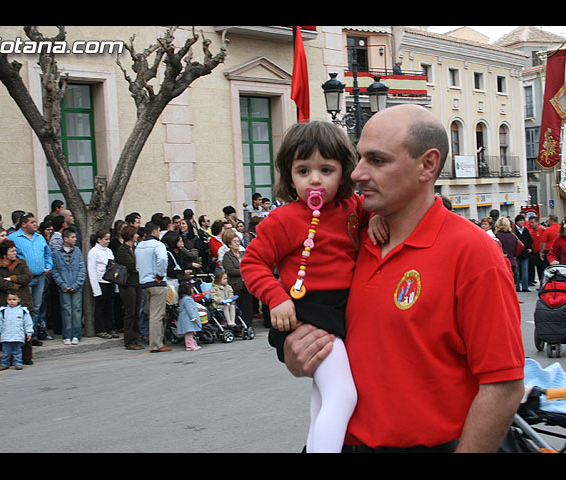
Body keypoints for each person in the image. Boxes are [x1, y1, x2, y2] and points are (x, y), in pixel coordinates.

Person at [281, 105, 525, 453]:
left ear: (427, 165)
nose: (357, 173)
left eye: (377, 161)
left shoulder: (473, 252)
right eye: (359, 157)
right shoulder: (352, 241)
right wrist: (297, 354)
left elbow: (504, 384)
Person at [241, 120, 386, 453]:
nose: (315, 180)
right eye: (303, 170)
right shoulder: (282, 219)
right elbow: (252, 263)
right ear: (289, 176)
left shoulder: (354, 208)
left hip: (339, 310)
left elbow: (375, 214)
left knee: (323, 396)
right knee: (343, 394)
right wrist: (276, 298)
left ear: (345, 172)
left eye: (326, 169)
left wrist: (376, 218)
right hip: (306, 311)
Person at [8, 213, 53, 344]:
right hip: (24, 279)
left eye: (35, 221)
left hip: (40, 277)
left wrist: (48, 266)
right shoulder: (13, 237)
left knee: (36, 307)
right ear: (23, 224)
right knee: (24, 307)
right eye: (32, 222)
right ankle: (21, 335)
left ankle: (32, 335)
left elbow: (47, 255)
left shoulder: (39, 237)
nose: (35, 224)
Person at [0, 239, 34, 365]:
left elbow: (28, 277)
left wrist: (11, 278)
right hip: (4, 302)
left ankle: (26, 356)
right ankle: (9, 358)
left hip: (23, 300)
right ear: (5, 253)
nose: (15, 253)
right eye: (12, 251)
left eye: (15, 250)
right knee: (7, 329)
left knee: (23, 327)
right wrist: (15, 285)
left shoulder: (21, 263)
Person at [135, 221, 170, 353]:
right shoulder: (157, 244)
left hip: (144, 281)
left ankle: (156, 341)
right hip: (156, 282)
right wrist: (160, 275)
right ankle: (156, 344)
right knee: (157, 315)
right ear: (155, 231)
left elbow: (137, 264)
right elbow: (162, 259)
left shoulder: (139, 246)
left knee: (152, 313)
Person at [51, 228, 86, 346]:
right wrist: (63, 285)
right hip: (64, 286)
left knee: (76, 310)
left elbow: (82, 268)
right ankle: (67, 335)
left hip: (76, 286)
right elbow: (54, 270)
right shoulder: (56, 252)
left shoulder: (77, 251)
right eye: (72, 237)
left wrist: (77, 284)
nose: (75, 239)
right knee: (66, 311)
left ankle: (76, 334)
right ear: (65, 239)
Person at [115, 225, 144, 350]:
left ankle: (136, 337)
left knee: (136, 312)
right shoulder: (122, 250)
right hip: (127, 284)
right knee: (130, 312)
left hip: (136, 283)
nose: (137, 236)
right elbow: (132, 265)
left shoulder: (134, 249)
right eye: (136, 234)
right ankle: (129, 340)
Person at [87, 230, 116, 340]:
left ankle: (110, 327)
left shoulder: (109, 251)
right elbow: (92, 270)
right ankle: (100, 329)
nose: (108, 241)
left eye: (109, 239)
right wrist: (96, 288)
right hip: (100, 281)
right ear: (99, 240)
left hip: (110, 281)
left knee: (109, 306)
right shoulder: (93, 252)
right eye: (106, 239)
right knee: (100, 307)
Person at [0, 291, 33, 371]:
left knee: (17, 351)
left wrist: (29, 332)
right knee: (6, 352)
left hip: (17, 336)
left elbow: (28, 323)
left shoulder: (23, 311)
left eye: (14, 299)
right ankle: (5, 363)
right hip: (6, 336)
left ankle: (18, 363)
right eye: (9, 299)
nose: (11, 301)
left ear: (19, 300)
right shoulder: (3, 311)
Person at [222, 228, 254, 328]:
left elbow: (249, 264)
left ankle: (248, 325)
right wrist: (244, 271)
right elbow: (230, 270)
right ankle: (238, 326)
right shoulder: (227, 256)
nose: (237, 243)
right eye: (234, 242)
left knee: (248, 306)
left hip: (247, 284)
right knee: (237, 306)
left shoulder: (243, 253)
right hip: (236, 284)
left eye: (238, 241)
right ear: (229, 244)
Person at [176, 279, 202, 351]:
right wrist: (193, 317)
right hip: (188, 319)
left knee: (190, 333)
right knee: (189, 333)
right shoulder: (187, 299)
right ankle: (190, 346)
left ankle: (193, 344)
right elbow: (190, 309)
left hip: (186, 318)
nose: (193, 290)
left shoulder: (183, 299)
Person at [513, 214, 532, 292]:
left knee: (525, 271)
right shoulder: (514, 230)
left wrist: (529, 248)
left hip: (525, 253)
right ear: (516, 222)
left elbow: (529, 240)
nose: (522, 222)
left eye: (523, 220)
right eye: (520, 220)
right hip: (516, 253)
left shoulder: (525, 230)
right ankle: (517, 287)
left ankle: (525, 287)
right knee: (517, 272)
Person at [527, 214, 546, 286]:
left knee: (542, 269)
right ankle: (540, 283)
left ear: (537, 222)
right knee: (538, 269)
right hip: (534, 253)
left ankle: (543, 283)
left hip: (541, 252)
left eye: (532, 222)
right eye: (530, 222)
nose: (530, 224)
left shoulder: (542, 229)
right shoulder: (531, 231)